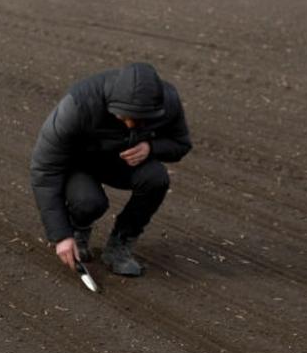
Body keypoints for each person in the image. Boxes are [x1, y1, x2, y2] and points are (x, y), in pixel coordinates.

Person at [29, 62, 192, 277]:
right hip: (80, 163)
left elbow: (181, 144)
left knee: (156, 178)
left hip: (121, 161)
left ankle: (119, 246)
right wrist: (61, 235)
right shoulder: (79, 104)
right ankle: (78, 229)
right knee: (90, 202)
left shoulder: (167, 102)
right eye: (124, 117)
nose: (131, 125)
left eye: (140, 119)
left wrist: (151, 147)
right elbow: (44, 170)